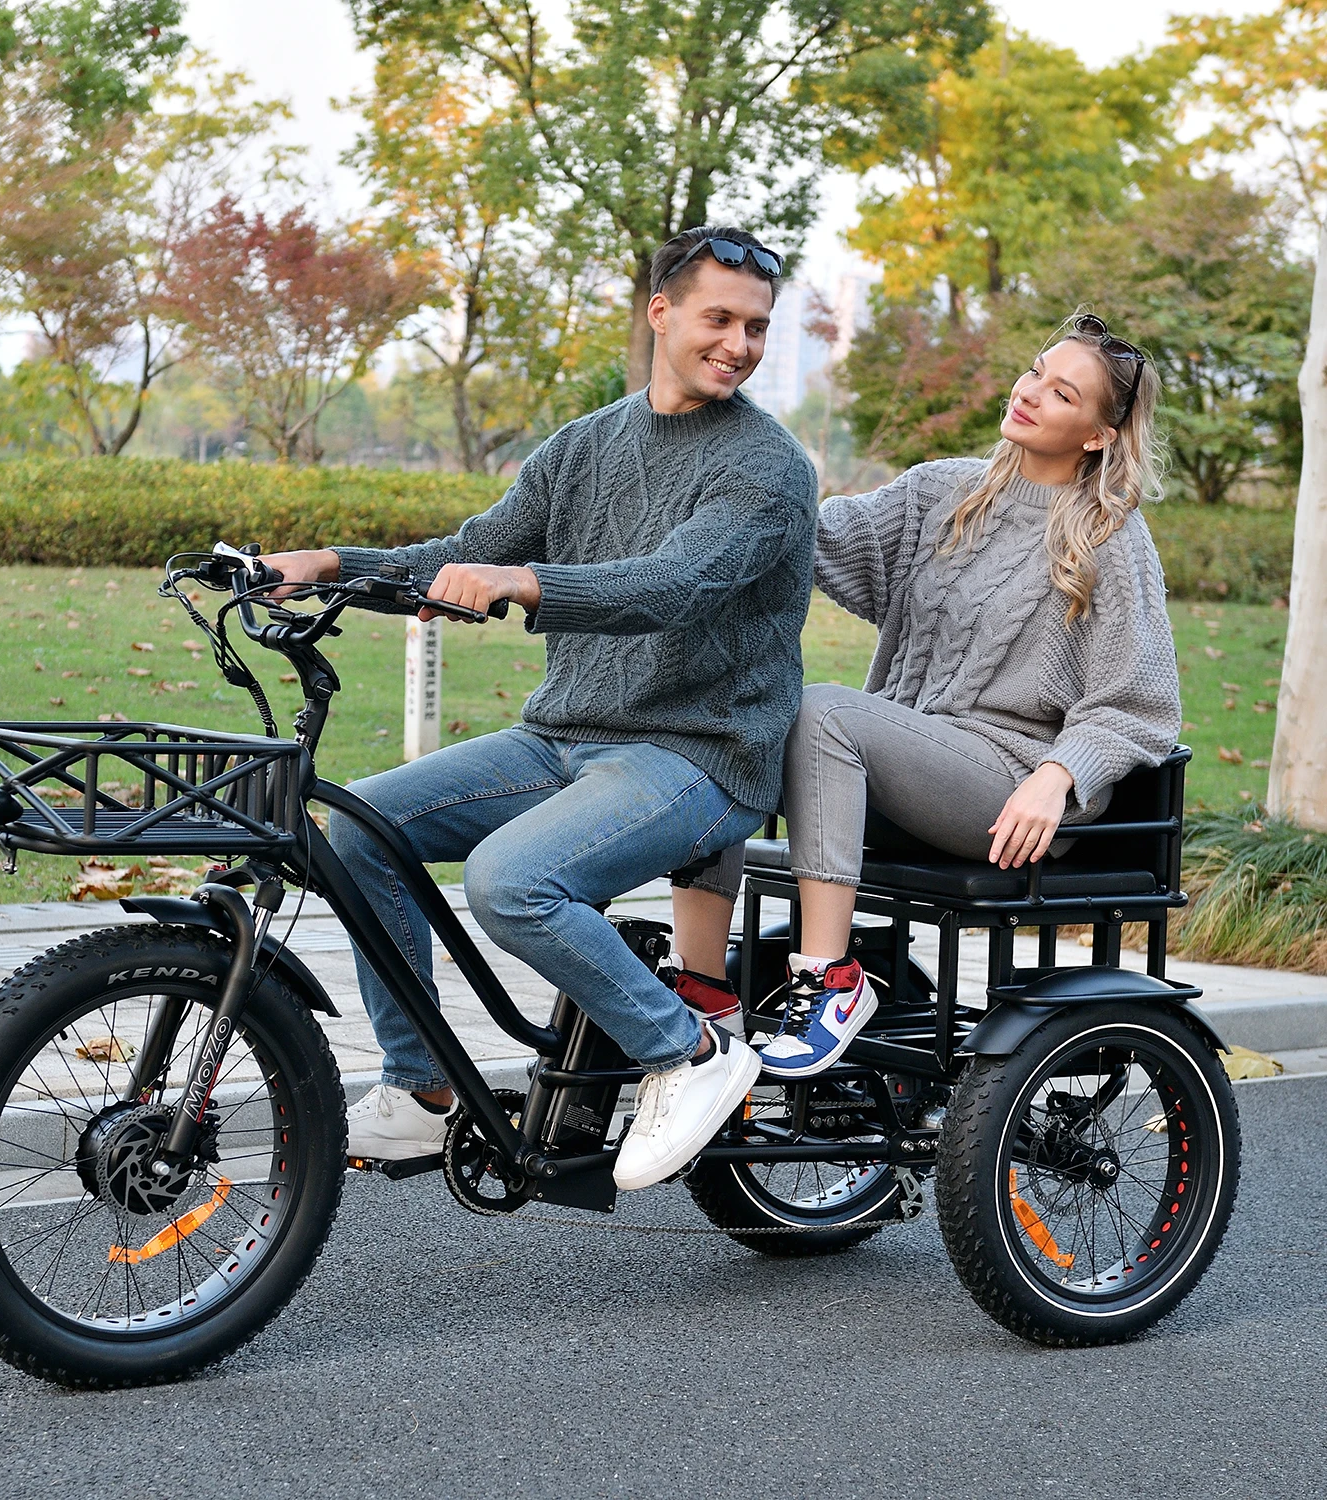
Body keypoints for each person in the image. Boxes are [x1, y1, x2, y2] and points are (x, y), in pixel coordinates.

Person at [260, 227, 818, 1190]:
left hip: (699, 755)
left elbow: (672, 585)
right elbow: (467, 552)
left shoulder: (767, 467)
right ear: (661, 313)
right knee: (362, 827)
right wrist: (329, 565)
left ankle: (690, 1052)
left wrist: (524, 581)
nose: (739, 345)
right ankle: (420, 1088)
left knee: (512, 881)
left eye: (756, 327)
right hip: (561, 737)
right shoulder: (586, 445)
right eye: (719, 319)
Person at [671, 312, 1182, 1077]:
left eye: (1063, 393)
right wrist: (720, 466)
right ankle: (703, 989)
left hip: (1008, 793)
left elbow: (1139, 702)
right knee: (732, 708)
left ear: (1099, 435)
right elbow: (809, 539)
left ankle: (828, 982)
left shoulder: (1111, 536)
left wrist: (1058, 775)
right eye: (1036, 371)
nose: (1031, 392)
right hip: (900, 774)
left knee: (824, 710)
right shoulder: (943, 491)